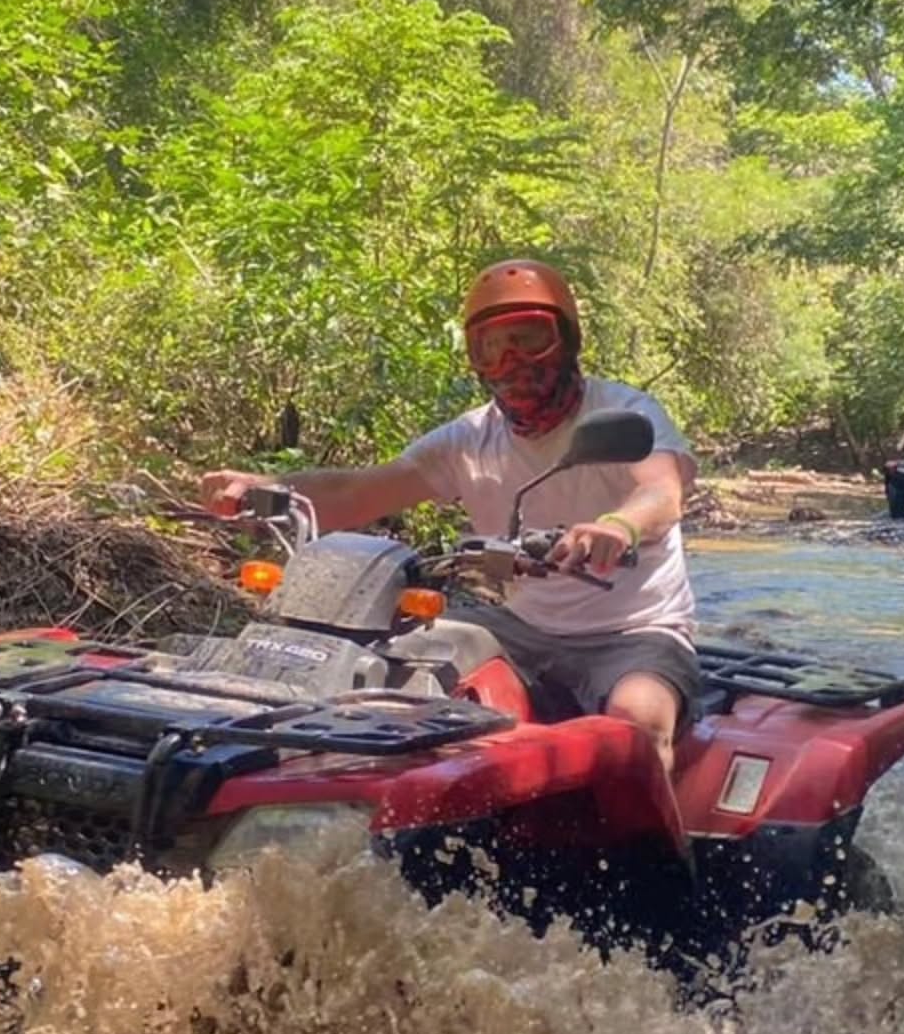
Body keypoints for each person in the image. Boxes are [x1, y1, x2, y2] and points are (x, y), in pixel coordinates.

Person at [199, 258, 701, 772]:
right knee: (391, 677)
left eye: (530, 339)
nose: (512, 362)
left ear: (567, 341)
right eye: (492, 348)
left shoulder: (625, 414)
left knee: (638, 719)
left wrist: (618, 526)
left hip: (635, 631)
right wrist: (268, 489)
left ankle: (641, 852)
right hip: (517, 627)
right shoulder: (469, 439)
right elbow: (360, 490)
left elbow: (662, 491)